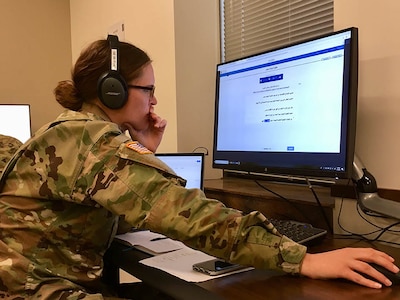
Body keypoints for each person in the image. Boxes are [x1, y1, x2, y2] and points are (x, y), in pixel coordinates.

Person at [0, 36, 398, 300]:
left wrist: (143, 152)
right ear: (113, 91)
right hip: (35, 291)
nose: (154, 102)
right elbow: (189, 216)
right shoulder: (92, 140)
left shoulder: (71, 130)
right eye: (149, 89)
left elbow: (122, 208)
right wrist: (303, 259)